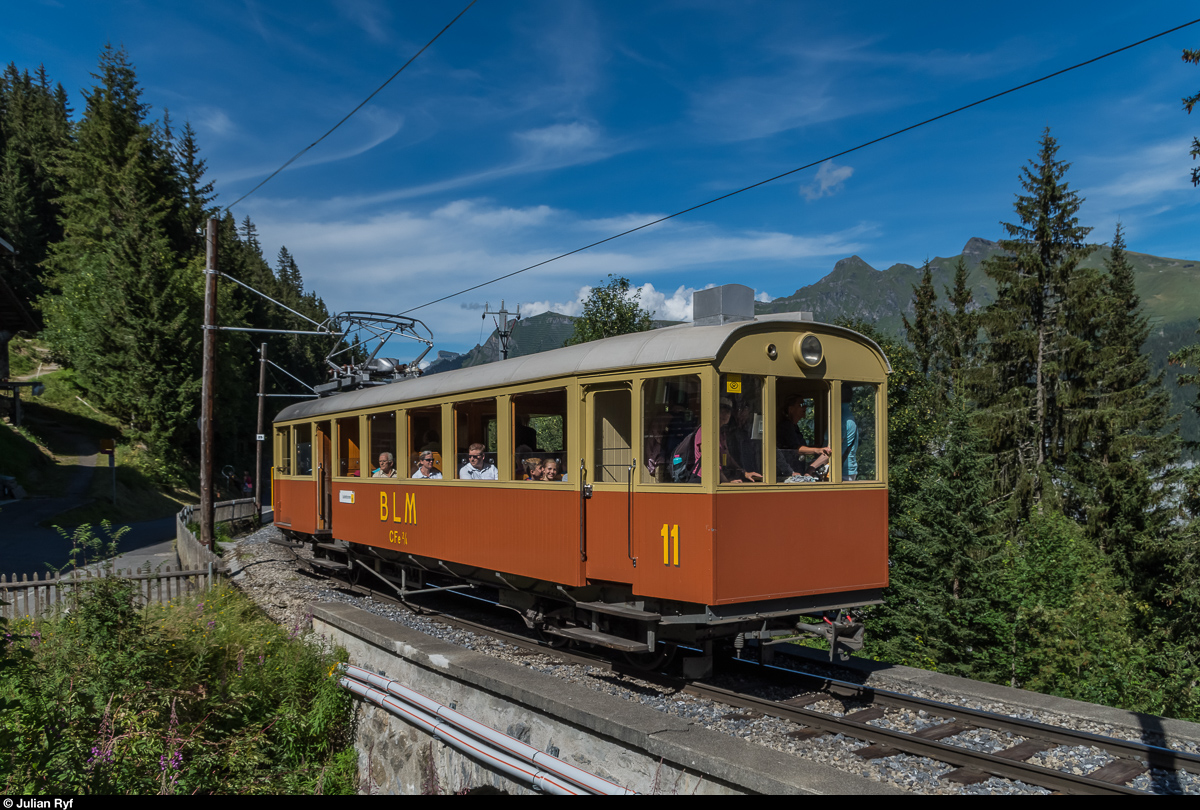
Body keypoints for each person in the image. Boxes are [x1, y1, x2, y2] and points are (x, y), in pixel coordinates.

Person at [693, 397, 762, 484]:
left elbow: (728, 458)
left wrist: (744, 473)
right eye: (721, 411)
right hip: (703, 481)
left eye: (728, 412)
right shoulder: (706, 431)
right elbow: (711, 464)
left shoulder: (722, 433)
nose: (725, 415)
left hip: (717, 479)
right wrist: (727, 483)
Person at [777, 395, 830, 478]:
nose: (805, 407)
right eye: (801, 405)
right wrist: (818, 450)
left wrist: (817, 446)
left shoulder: (794, 426)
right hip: (789, 472)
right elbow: (796, 449)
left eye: (805, 404)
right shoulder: (786, 426)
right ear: (791, 409)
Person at [842, 387, 859, 481]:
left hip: (842, 472)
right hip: (849, 469)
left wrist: (812, 467)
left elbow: (832, 448)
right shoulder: (849, 416)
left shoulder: (841, 417)